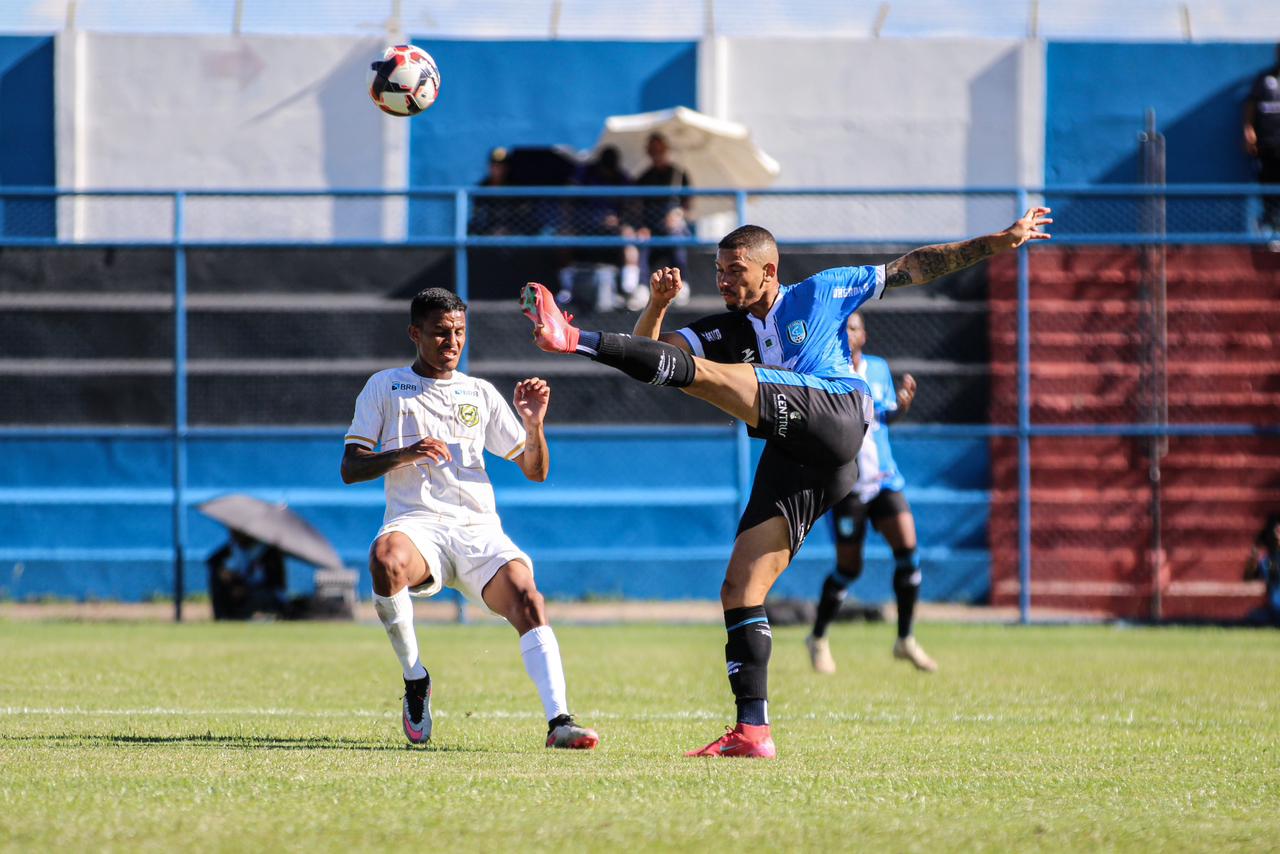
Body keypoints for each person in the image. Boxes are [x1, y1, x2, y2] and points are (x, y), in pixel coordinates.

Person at [520, 207, 1053, 758]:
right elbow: (655, 356)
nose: (723, 281)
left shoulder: (821, 291)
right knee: (741, 588)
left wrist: (999, 240)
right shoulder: (725, 327)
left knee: (724, 379)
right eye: (719, 270)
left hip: (836, 413)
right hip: (804, 457)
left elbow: (913, 267)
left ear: (769, 271)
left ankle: (573, 335)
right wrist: (656, 305)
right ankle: (753, 732)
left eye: (735, 271)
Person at [341, 287, 598, 750]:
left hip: (479, 531)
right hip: (418, 524)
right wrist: (405, 454)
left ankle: (559, 721)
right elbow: (351, 466)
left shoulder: (478, 392)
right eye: (440, 333)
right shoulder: (384, 386)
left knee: (528, 598)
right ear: (415, 334)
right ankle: (415, 679)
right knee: (385, 559)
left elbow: (535, 471)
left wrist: (535, 425)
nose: (452, 341)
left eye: (459, 332)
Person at [805, 311, 937, 675]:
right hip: (848, 486)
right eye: (842, 327)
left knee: (908, 552)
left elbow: (883, 416)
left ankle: (905, 639)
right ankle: (817, 637)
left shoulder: (877, 368)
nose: (848, 333)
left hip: (884, 480)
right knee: (849, 568)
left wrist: (902, 408)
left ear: (863, 335)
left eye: (853, 327)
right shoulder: (825, 371)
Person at [557, 145, 642, 311]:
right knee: (562, 239)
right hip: (584, 226)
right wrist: (578, 221)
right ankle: (567, 289)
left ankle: (628, 291)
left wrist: (619, 220)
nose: (608, 173)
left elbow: (635, 205)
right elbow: (568, 199)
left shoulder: (622, 178)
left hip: (612, 230)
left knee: (629, 238)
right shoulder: (586, 174)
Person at [634, 132, 692, 308]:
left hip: (673, 228)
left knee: (676, 237)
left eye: (659, 148)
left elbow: (688, 207)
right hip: (651, 228)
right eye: (653, 149)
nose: (657, 152)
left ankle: (682, 285)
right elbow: (637, 209)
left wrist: (678, 215)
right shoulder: (643, 177)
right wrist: (641, 227)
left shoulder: (679, 175)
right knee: (642, 242)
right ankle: (642, 287)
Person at [207, 530, 286, 621]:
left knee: (262, 597)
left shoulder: (269, 553)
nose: (236, 535)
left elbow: (275, 584)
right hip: (237, 599)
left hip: (262, 595)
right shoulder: (224, 555)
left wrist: (245, 589)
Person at [1244, 45, 1280, 237]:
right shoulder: (1265, 79)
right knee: (1269, 186)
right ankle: (1272, 228)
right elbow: (1250, 104)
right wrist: (1248, 130)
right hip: (1269, 145)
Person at [1244, 512, 1280, 626]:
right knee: (1252, 617)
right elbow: (1248, 578)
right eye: (1276, 532)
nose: (1277, 536)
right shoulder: (1267, 561)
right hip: (1275, 608)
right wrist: (1253, 560)